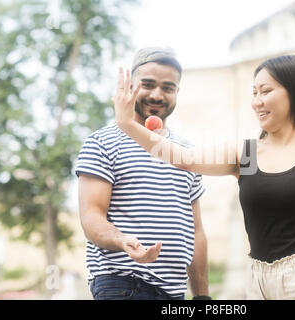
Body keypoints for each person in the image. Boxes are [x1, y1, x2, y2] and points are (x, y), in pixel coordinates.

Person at [114, 54, 295, 300]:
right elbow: (184, 159)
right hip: (259, 280)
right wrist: (127, 124)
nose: (256, 102)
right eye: (254, 93)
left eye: (265, 91)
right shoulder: (248, 154)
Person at [76, 47, 210, 300]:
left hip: (173, 292)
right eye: (147, 84)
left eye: (168, 87)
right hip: (124, 284)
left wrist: (202, 296)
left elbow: (196, 230)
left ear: (177, 92)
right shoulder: (102, 142)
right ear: (130, 87)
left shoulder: (186, 152)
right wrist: (121, 240)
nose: (157, 95)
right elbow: (91, 216)